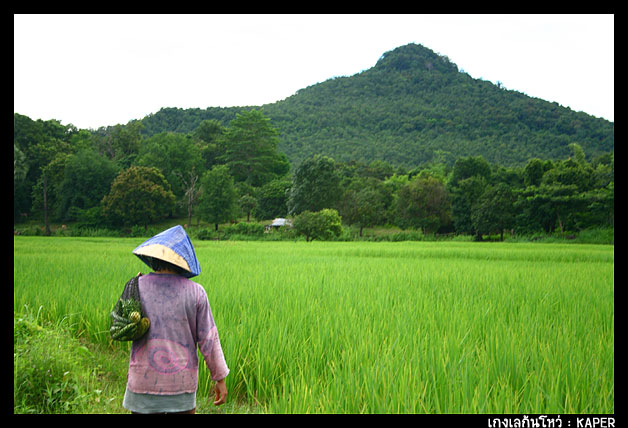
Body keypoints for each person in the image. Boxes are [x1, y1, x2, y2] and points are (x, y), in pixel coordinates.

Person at [122, 225, 229, 414]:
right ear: (184, 261)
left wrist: (133, 288)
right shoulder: (196, 292)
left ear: (153, 258)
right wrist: (219, 378)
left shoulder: (136, 286)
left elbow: (124, 325)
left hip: (142, 383)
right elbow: (209, 340)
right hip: (181, 386)